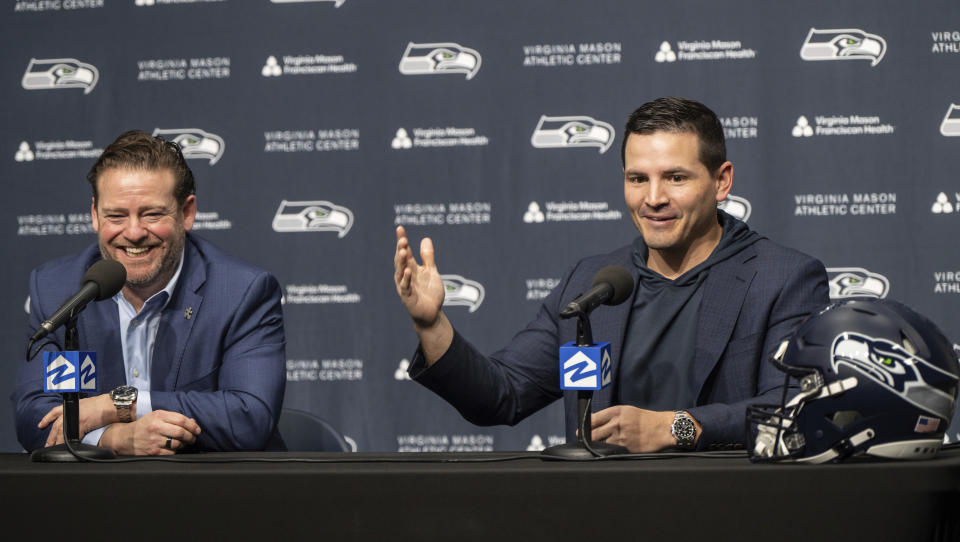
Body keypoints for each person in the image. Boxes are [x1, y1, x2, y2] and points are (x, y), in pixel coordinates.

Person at [393, 97, 830, 452]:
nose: (653, 198)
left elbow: (791, 406)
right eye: (637, 179)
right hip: (602, 515)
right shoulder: (591, 284)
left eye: (675, 177)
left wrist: (675, 427)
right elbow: (500, 396)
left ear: (721, 181)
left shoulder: (783, 278)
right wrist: (431, 325)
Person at [12, 130, 286, 455]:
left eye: (152, 214)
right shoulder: (61, 290)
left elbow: (250, 416)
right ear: (94, 216)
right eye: (115, 215)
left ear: (187, 213)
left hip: (213, 494)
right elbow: (37, 418)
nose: (133, 233)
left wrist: (116, 405)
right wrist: (117, 439)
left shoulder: (241, 292)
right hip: (98, 496)